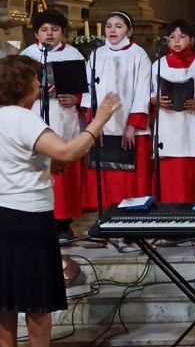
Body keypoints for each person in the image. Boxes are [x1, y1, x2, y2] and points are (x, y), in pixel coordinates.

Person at [0, 55, 120, 347]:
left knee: (6, 296)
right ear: (22, 84)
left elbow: (18, 155)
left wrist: (45, 162)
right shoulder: (22, 117)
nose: (39, 85)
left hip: (3, 214)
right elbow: (67, 151)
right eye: (35, 79)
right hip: (28, 216)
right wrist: (99, 120)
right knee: (37, 297)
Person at [20, 9, 85, 237]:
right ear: (36, 34)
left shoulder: (74, 55)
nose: (49, 34)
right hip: (35, 113)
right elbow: (16, 88)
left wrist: (76, 99)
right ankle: (41, 218)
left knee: (63, 169)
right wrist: (34, 93)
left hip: (64, 116)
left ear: (62, 33)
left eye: (55, 30)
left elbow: (86, 89)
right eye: (44, 30)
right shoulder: (27, 55)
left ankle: (64, 221)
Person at [81, 11, 152, 208]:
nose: (112, 30)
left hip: (129, 126)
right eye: (109, 26)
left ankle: (130, 218)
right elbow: (88, 89)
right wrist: (94, 123)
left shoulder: (139, 55)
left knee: (129, 182)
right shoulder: (97, 54)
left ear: (129, 31)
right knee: (104, 179)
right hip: (102, 126)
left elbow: (142, 92)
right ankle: (105, 216)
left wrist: (132, 125)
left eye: (118, 26)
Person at [151, 20, 195, 203]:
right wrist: (155, 100)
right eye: (172, 37)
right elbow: (150, 92)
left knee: (190, 179)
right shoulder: (159, 64)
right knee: (170, 180)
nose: (176, 41)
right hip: (167, 127)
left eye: (182, 37)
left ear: (192, 40)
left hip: (191, 125)